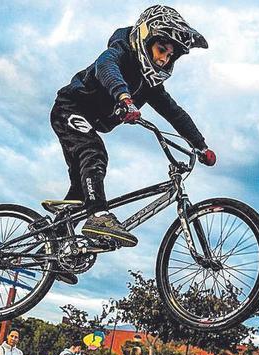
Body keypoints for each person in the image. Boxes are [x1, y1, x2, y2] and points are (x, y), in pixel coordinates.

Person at [50, 5, 214, 258]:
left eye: (171, 56)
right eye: (162, 50)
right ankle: (99, 217)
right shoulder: (120, 52)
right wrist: (124, 97)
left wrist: (200, 145)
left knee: (84, 187)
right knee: (93, 152)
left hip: (89, 123)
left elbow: (175, 113)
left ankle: (58, 245)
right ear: (145, 39)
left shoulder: (151, 87)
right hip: (69, 109)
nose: (164, 59)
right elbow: (107, 69)